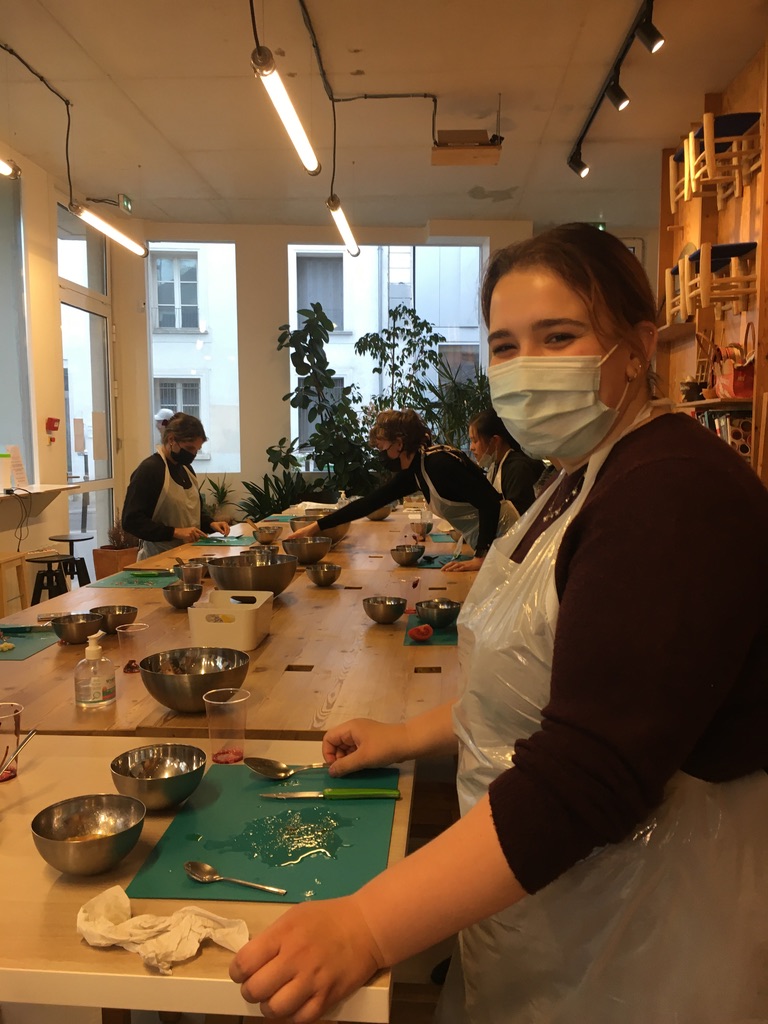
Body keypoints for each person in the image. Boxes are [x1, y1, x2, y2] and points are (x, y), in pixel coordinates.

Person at [229, 223, 768, 1024]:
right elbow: (543, 683)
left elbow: (587, 774)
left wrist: (366, 926)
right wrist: (406, 735)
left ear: (638, 347)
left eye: (560, 336)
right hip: (558, 904)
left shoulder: (671, 494)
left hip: (646, 936)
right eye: (506, 346)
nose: (526, 367)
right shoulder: (581, 477)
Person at [291, 408, 518, 572]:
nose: (381, 455)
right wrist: (315, 527)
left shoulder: (438, 465)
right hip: (493, 544)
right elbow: (370, 502)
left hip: (509, 541)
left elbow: (490, 504)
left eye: (382, 448)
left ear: (399, 443)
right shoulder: (418, 469)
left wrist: (480, 556)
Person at [123, 412, 230, 558]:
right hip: (158, 559)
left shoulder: (187, 469)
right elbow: (131, 521)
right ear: (171, 439)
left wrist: (211, 524)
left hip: (189, 556)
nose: (193, 454)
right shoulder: (150, 470)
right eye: (189, 448)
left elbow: (191, 513)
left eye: (197, 450)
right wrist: (175, 532)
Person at [468, 408, 544, 514]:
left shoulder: (518, 469)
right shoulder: (494, 466)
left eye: (475, 441)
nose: (471, 447)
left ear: (495, 440)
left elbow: (518, 518)